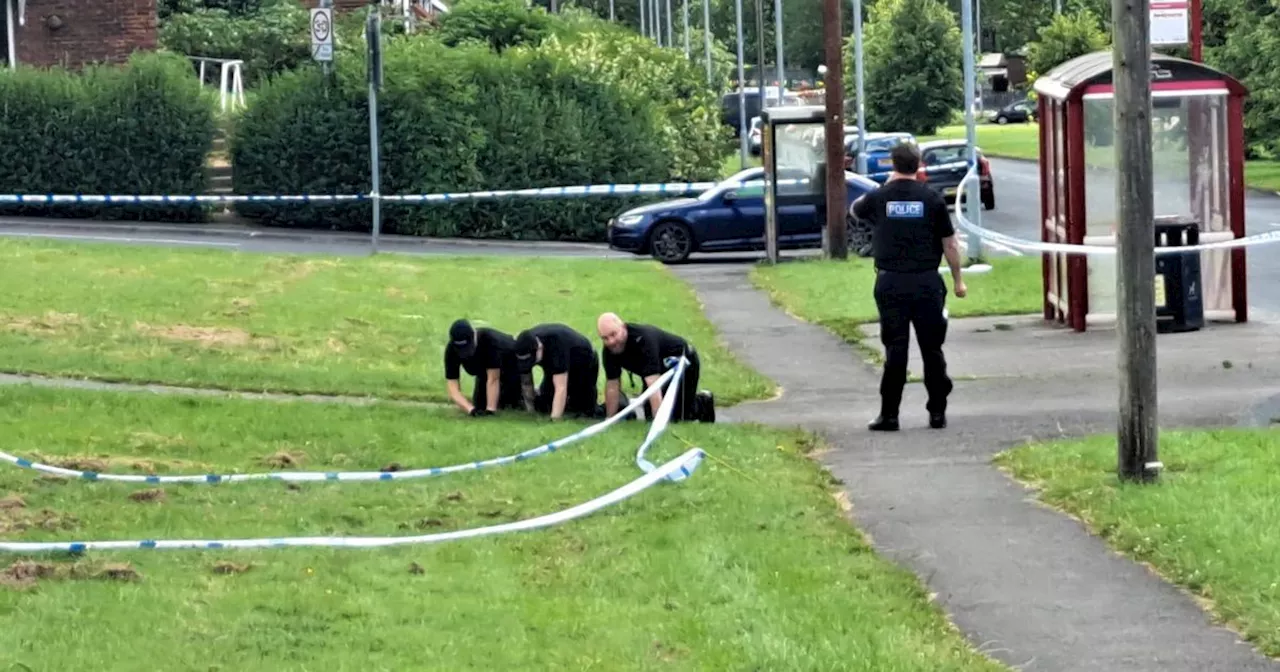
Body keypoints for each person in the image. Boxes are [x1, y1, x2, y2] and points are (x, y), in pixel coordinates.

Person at [849, 141, 967, 431]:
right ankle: (937, 412)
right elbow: (949, 243)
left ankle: (890, 415)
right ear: (919, 165)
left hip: (890, 282)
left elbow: (855, 211)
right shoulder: (932, 199)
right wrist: (958, 280)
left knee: (895, 349)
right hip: (926, 281)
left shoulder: (879, 197)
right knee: (932, 349)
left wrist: (886, 186)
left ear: (892, 163)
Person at [595, 312, 715, 423]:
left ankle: (703, 402)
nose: (611, 341)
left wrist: (658, 424)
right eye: (605, 338)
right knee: (649, 416)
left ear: (623, 327)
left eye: (613, 334)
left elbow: (653, 384)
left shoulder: (644, 340)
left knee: (676, 417)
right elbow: (612, 385)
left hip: (683, 364)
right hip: (657, 372)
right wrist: (609, 419)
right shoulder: (610, 350)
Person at [513, 323, 605, 421]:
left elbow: (561, 387)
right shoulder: (525, 344)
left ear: (539, 348)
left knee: (583, 410)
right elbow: (526, 381)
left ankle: (616, 405)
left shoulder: (556, 345)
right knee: (544, 405)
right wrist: (531, 410)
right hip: (553, 365)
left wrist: (554, 419)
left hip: (583, 364)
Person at [443, 318, 526, 417]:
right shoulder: (451, 350)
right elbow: (452, 387)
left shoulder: (490, 342)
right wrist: (470, 410)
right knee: (479, 405)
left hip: (510, 367)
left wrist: (490, 411)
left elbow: (493, 379)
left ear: (474, 335)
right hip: (483, 372)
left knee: (511, 404)